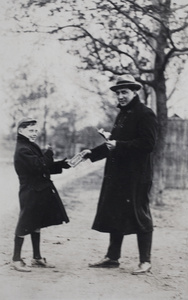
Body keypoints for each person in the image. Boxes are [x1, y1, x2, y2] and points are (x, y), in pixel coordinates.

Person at [82, 74, 158, 274]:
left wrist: (119, 145)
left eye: (124, 92)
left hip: (137, 176)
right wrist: (91, 154)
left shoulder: (145, 114)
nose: (121, 96)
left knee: (139, 214)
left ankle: (145, 261)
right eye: (118, 93)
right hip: (117, 174)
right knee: (116, 213)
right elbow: (112, 145)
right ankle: (112, 257)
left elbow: (148, 144)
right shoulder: (122, 115)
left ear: (134, 92)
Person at [11, 117, 71, 272]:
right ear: (20, 131)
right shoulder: (23, 149)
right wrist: (49, 153)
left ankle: (37, 258)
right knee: (24, 223)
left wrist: (62, 165)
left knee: (36, 223)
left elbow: (43, 166)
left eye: (36, 130)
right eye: (31, 130)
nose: (34, 133)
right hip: (30, 191)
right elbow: (40, 165)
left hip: (37, 190)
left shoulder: (29, 146)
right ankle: (15, 259)